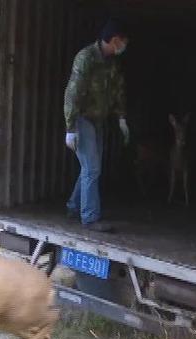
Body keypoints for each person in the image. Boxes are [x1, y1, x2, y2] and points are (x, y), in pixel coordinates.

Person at [63, 18, 130, 233]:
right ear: (111, 40)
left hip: (97, 120)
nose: (124, 45)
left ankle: (74, 207)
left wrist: (121, 118)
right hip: (82, 119)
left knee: (90, 168)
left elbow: (118, 90)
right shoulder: (86, 58)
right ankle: (90, 217)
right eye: (122, 41)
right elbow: (72, 93)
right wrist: (70, 128)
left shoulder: (112, 62)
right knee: (92, 168)